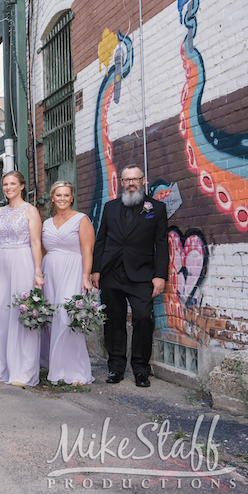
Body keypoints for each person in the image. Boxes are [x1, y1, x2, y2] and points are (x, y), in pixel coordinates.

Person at [92, 165, 168, 388]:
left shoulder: (157, 208)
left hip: (142, 273)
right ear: (121, 183)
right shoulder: (110, 207)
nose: (131, 183)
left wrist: (160, 275)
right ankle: (115, 368)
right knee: (114, 321)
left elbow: (162, 245)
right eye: (127, 180)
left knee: (143, 318)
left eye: (135, 179)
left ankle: (141, 369)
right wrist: (96, 270)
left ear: (143, 180)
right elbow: (101, 240)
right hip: (111, 272)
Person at [0, 171, 44, 386]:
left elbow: (35, 243)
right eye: (5, 184)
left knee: (21, 313)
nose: (8, 187)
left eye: (13, 183)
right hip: (1, 264)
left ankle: (23, 371)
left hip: (23, 261)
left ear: (22, 186)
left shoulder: (30, 211)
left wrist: (38, 271)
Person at [43, 181, 95, 385]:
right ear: (53, 198)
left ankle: (77, 372)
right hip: (50, 273)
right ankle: (57, 369)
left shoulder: (81, 220)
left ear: (72, 197)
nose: (62, 199)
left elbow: (87, 251)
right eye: (58, 195)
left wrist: (85, 276)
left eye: (66, 195)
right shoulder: (47, 223)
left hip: (73, 271)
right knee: (54, 319)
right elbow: (43, 250)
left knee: (68, 320)